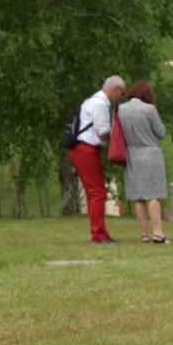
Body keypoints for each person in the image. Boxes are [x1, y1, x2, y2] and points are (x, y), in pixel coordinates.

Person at [68, 75, 124, 244]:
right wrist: (119, 140)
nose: (119, 98)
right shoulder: (100, 104)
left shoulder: (91, 100)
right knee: (97, 193)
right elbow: (103, 132)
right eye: (121, 93)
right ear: (116, 90)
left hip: (81, 149)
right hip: (87, 149)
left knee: (95, 193)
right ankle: (98, 235)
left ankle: (101, 233)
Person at [117, 80, 170, 244]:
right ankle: (158, 232)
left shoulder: (121, 109)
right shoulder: (149, 109)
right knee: (153, 193)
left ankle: (144, 234)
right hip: (150, 153)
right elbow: (160, 132)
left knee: (138, 195)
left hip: (131, 154)